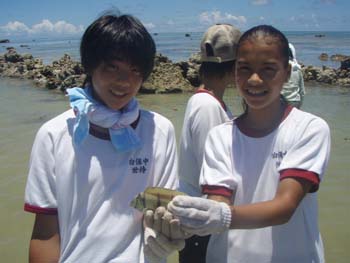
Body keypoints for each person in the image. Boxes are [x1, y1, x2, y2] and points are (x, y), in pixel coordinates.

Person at [24, 12, 183, 263]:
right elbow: (45, 235)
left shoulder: (159, 131)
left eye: (135, 70)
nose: (124, 81)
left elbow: (162, 210)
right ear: (90, 64)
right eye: (112, 66)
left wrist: (167, 235)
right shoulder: (53, 135)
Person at [168, 25, 331, 263]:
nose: (254, 79)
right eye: (244, 69)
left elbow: (285, 206)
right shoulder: (220, 135)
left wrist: (222, 216)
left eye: (268, 69)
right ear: (234, 71)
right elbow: (218, 201)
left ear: (287, 73)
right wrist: (180, 221)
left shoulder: (309, 128)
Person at [177, 24, 241, 262]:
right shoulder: (208, 106)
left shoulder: (209, 101)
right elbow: (213, 170)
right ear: (233, 68)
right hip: (202, 217)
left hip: (200, 213)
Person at [281, 43, 305, 108]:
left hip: (280, 102)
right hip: (295, 101)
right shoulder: (297, 69)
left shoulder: (278, 68)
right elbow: (302, 92)